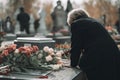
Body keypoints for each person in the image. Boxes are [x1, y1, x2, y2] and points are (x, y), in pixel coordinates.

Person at [67, 8, 120, 80]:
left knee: (83, 64)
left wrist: (73, 64)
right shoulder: (94, 22)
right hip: (113, 55)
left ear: (72, 19)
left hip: (98, 59)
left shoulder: (76, 24)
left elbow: (76, 47)